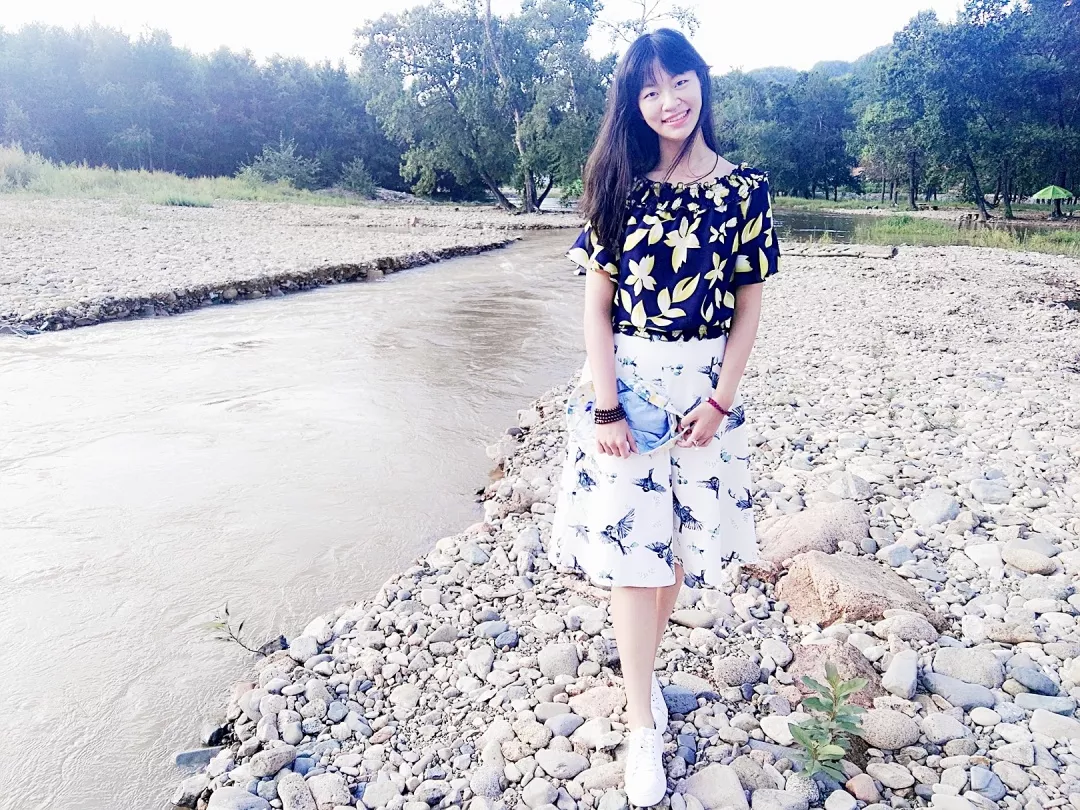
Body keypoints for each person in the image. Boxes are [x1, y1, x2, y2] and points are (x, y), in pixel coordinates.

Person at [548, 28, 780, 807]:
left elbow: (748, 307)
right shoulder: (619, 182)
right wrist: (606, 406)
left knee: (674, 547)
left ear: (700, 82)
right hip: (629, 386)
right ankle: (641, 725)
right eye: (649, 90)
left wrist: (722, 400)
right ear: (634, 103)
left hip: (704, 392)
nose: (668, 101)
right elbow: (596, 306)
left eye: (678, 81)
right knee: (631, 555)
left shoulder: (746, 190)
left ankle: (641, 674)